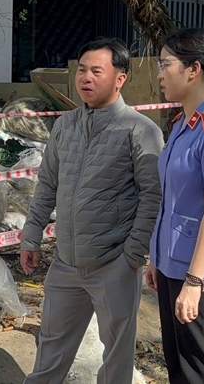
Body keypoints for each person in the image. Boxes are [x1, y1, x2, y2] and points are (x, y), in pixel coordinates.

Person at [20, 38, 164, 384]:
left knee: (116, 357)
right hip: (65, 264)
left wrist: (132, 256)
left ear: (120, 78)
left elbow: (154, 197)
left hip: (113, 264)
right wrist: (31, 236)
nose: (86, 77)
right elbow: (47, 185)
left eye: (97, 71)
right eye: (82, 70)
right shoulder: (65, 125)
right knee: (50, 349)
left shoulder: (140, 130)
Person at [145, 25, 204, 384]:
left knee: (201, 373)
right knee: (179, 368)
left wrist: (194, 281)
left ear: (193, 69)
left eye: (165, 64)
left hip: (202, 273)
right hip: (174, 264)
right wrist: (157, 258)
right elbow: (172, 200)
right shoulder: (184, 124)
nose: (160, 74)